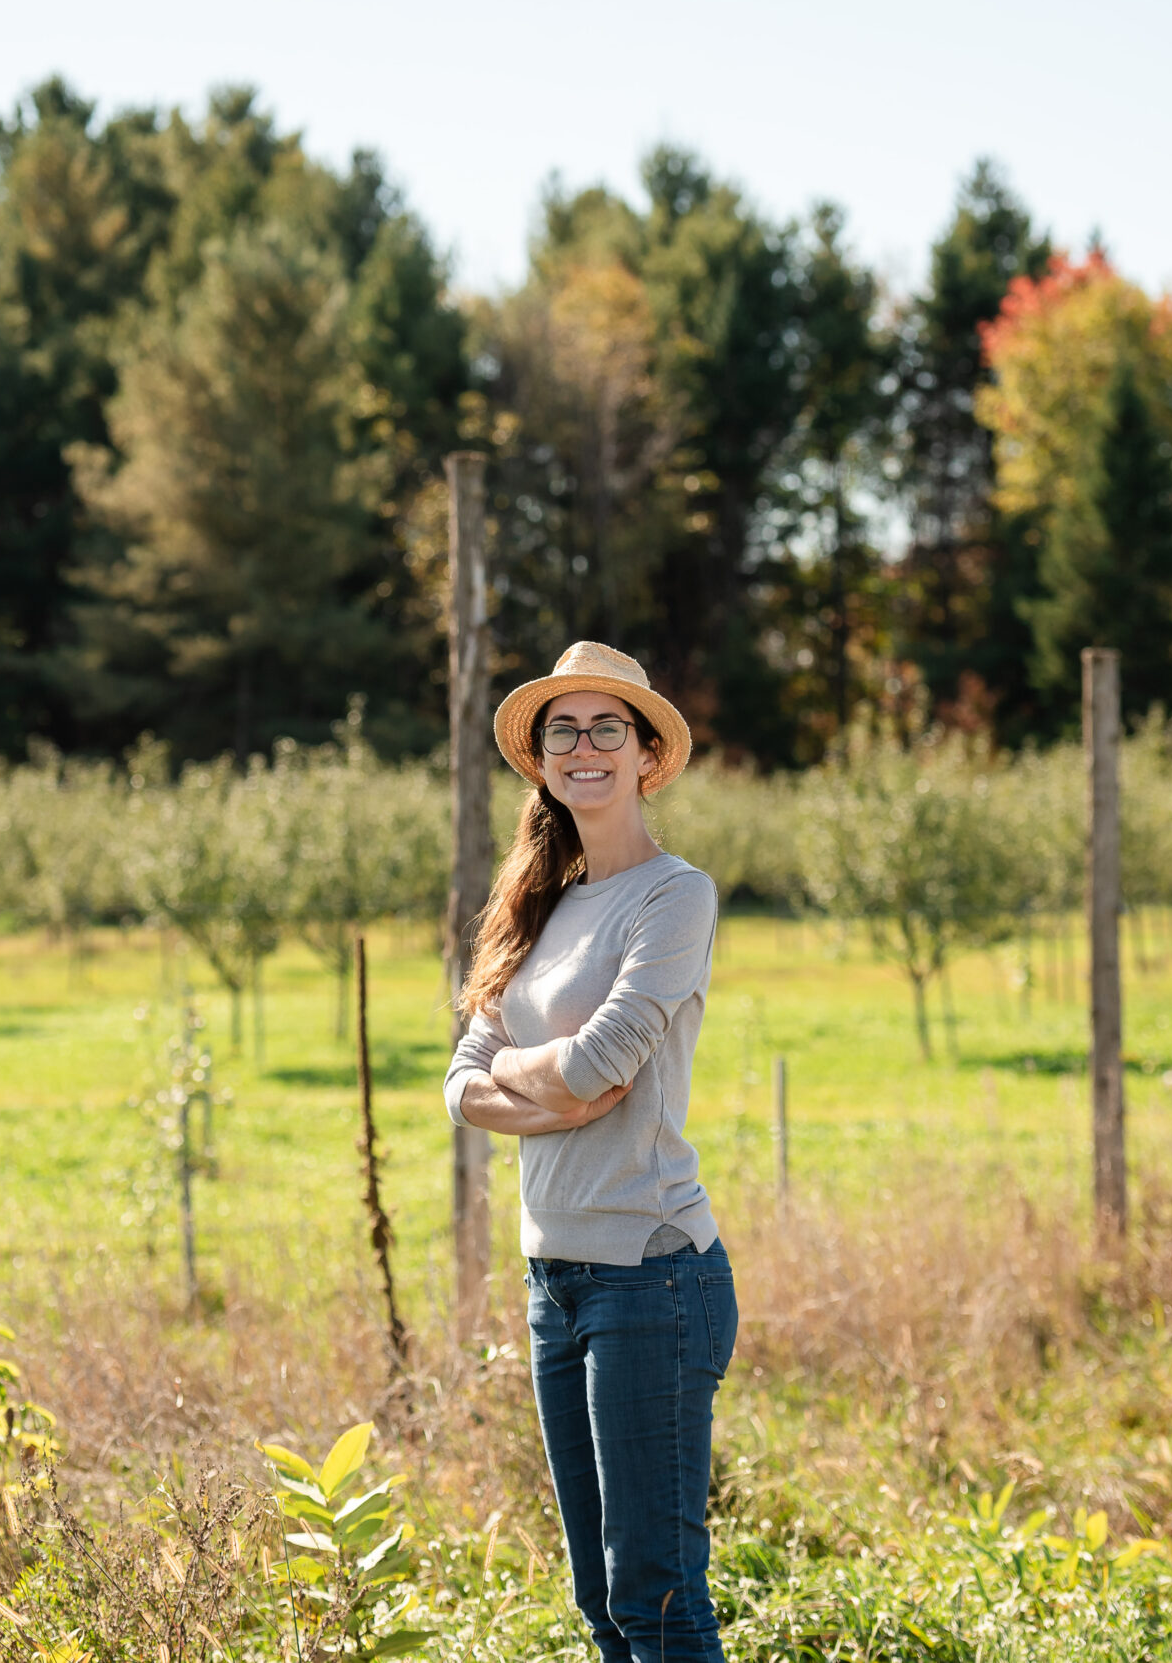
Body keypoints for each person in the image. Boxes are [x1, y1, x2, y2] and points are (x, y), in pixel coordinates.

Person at [445, 640, 735, 1663]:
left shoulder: (674, 893)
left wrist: (523, 1075)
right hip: (554, 1280)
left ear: (648, 752)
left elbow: (608, 1057)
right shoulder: (540, 901)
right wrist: (551, 1090)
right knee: (597, 1597)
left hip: (651, 1274)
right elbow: (461, 1077)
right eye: (562, 729)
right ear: (541, 761)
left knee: (654, 1594)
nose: (583, 745)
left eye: (606, 724)